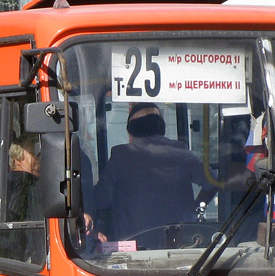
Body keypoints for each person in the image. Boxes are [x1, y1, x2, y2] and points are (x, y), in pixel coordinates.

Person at [90, 103, 211, 241]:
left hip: (133, 246)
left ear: (131, 129)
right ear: (161, 126)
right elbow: (213, 182)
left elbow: (102, 198)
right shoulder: (181, 151)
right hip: (181, 241)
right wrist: (197, 209)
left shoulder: (120, 155)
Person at [7, 134, 41, 222]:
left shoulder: (8, 181)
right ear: (17, 159)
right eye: (34, 153)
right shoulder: (23, 179)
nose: (39, 159)